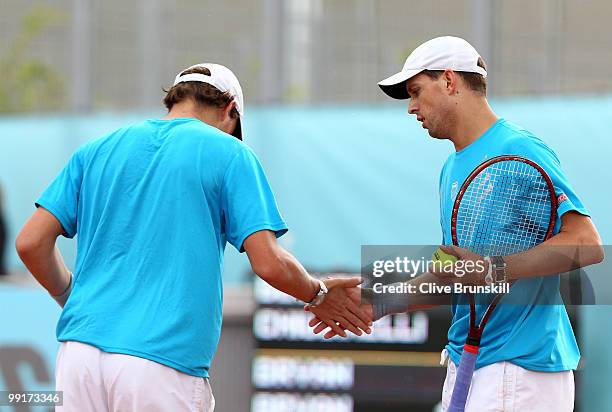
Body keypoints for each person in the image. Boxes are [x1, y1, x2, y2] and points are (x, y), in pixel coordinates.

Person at [15, 63, 371, 412]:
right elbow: (269, 262)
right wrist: (318, 292)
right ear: (230, 108)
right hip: (162, 360)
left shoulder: (96, 151)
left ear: (174, 99)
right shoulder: (229, 152)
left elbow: (30, 243)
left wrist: (70, 295)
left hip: (78, 356)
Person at [309, 37, 604, 411]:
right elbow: (452, 275)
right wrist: (374, 303)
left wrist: (494, 269)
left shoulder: (520, 148)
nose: (411, 107)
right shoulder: (452, 166)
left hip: (519, 370)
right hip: (469, 364)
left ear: (449, 80)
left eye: (416, 91)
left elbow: (586, 243)